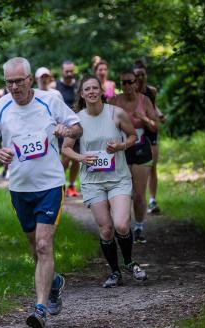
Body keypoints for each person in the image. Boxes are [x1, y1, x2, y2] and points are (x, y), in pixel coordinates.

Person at [0, 57, 82, 328]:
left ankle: (40, 308)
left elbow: (77, 127)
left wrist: (66, 130)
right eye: (9, 82)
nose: (14, 87)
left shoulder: (51, 100)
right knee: (34, 247)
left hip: (50, 184)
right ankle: (55, 283)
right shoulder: (0, 107)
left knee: (43, 245)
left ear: (29, 79)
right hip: (20, 188)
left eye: (18, 81)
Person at [62, 75, 147, 287]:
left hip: (118, 177)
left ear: (101, 91)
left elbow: (132, 137)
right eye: (87, 89)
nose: (91, 92)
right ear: (82, 94)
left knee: (122, 224)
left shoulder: (116, 113)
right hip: (93, 181)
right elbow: (66, 148)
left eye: (94, 88)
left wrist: (120, 146)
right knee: (107, 229)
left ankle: (129, 262)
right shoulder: (77, 120)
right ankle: (115, 272)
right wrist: (81, 157)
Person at [110, 70, 158, 243]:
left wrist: (143, 118)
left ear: (136, 83)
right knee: (122, 193)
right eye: (123, 83)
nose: (127, 86)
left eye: (130, 82)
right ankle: (123, 228)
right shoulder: (114, 101)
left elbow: (155, 127)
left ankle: (138, 227)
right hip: (120, 148)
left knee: (138, 194)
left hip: (140, 148)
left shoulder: (144, 101)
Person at [133, 60, 166, 214]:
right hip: (136, 131)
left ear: (146, 75)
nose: (140, 78)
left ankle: (152, 200)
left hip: (151, 130)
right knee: (136, 167)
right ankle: (138, 196)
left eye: (142, 74)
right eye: (137, 75)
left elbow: (153, 105)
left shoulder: (151, 90)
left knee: (152, 166)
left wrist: (159, 114)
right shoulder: (130, 91)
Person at [53, 60, 80, 197]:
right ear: (61, 71)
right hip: (62, 128)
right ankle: (59, 184)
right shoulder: (55, 86)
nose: (69, 74)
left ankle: (71, 185)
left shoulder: (78, 86)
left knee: (76, 158)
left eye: (71, 71)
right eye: (66, 71)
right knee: (65, 157)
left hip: (77, 127)